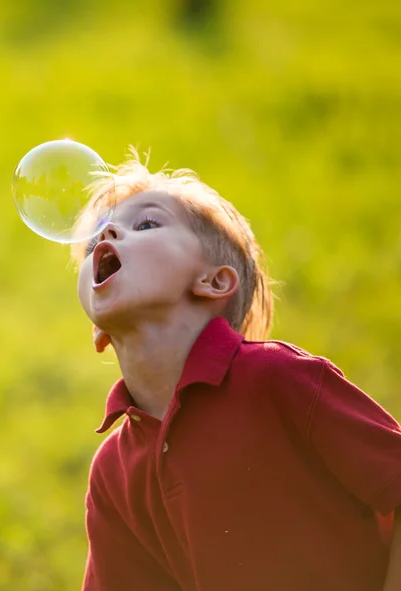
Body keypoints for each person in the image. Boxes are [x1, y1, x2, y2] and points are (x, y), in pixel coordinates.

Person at [71, 150, 401, 591]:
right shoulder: (113, 472)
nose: (108, 233)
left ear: (214, 282)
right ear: (98, 329)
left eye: (146, 224)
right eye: (95, 242)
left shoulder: (278, 378)